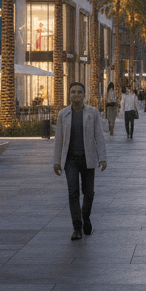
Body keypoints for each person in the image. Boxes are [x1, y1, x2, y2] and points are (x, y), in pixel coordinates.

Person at [53, 81, 107, 240]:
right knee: (73, 192)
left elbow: (99, 136)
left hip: (88, 158)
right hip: (70, 160)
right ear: (69, 95)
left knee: (88, 192)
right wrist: (57, 161)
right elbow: (58, 139)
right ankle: (77, 227)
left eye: (79, 92)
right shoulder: (63, 114)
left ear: (84, 95)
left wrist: (102, 158)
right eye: (73, 92)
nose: (76, 95)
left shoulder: (93, 113)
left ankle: (86, 216)